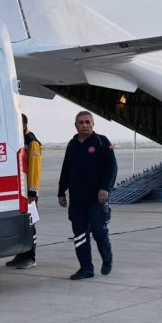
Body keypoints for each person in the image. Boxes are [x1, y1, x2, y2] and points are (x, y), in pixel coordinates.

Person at [57, 110, 116, 280]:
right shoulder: (72, 144)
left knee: (98, 230)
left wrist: (105, 188)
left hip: (97, 199)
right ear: (76, 125)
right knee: (80, 235)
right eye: (81, 123)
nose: (85, 125)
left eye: (87, 122)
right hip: (77, 200)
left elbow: (112, 167)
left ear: (93, 124)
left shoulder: (101, 142)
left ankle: (107, 257)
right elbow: (66, 169)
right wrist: (61, 192)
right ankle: (86, 268)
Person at [6, 114, 42, 269]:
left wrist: (32, 193)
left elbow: (34, 169)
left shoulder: (31, 142)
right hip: (21, 191)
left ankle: (30, 257)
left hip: (29, 193)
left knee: (29, 225)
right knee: (21, 224)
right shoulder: (20, 140)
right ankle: (21, 254)